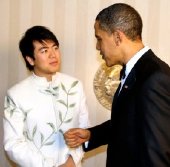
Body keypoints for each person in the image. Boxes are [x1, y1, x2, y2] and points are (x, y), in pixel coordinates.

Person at [64, 3, 170, 167]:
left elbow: (157, 152)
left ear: (118, 37)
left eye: (99, 39)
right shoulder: (135, 70)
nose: (98, 47)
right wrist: (92, 135)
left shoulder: (154, 77)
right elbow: (129, 122)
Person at [3, 26, 89, 167]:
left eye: (55, 48)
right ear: (30, 59)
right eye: (44, 51)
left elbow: (85, 129)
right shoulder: (16, 94)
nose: (53, 55)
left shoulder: (75, 85)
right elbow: (13, 144)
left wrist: (71, 160)